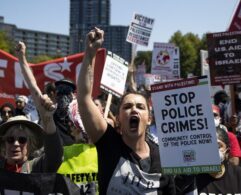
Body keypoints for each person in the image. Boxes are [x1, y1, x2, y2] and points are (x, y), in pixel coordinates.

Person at [77, 27, 175, 194]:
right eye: (127, 107)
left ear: (149, 119)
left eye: (140, 107)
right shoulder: (108, 143)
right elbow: (84, 98)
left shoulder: (165, 158)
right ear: (118, 118)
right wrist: (90, 54)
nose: (134, 110)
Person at [0, 41, 63, 173]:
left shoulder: (36, 167)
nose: (16, 144)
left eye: (22, 140)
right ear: (4, 145)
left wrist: (47, 118)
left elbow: (55, 156)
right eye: (10, 139)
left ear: (30, 145)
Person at [196, 126, 241, 194]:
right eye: (208, 145)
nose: (212, 150)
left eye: (218, 146)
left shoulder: (239, 175)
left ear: (227, 151)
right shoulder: (195, 177)